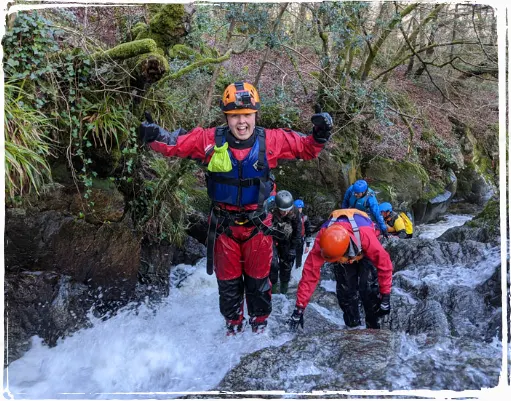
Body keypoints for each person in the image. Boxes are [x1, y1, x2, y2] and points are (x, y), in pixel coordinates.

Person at [139, 81, 333, 335]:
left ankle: (259, 329)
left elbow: (307, 149)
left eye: (247, 115)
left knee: (259, 284)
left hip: (258, 227)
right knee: (228, 286)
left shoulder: (271, 140)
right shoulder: (210, 140)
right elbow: (176, 144)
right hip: (224, 227)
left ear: (255, 115)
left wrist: (320, 133)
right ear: (226, 118)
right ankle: (233, 329)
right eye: (235, 116)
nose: (242, 122)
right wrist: (154, 136)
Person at [288, 208, 393, 330]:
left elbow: (384, 264)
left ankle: (374, 327)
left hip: (363, 248)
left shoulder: (366, 236)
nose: (337, 262)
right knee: (346, 293)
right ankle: (353, 327)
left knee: (368, 289)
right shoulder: (323, 240)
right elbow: (309, 274)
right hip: (345, 247)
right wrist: (299, 308)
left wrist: (385, 296)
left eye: (338, 259)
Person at [270, 190, 301, 295]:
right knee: (272, 264)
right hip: (272, 239)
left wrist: (293, 248)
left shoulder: (295, 211)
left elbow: (298, 231)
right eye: (283, 210)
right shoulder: (270, 210)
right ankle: (272, 290)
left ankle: (284, 290)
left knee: (286, 264)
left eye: (287, 210)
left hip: (287, 240)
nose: (285, 212)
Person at [294, 199, 312, 268]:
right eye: (297, 208)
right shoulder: (290, 216)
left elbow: (308, 231)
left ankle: (297, 270)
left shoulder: (305, 218)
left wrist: (307, 245)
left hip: (300, 241)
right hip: (291, 240)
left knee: (299, 258)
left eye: (300, 208)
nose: (299, 210)